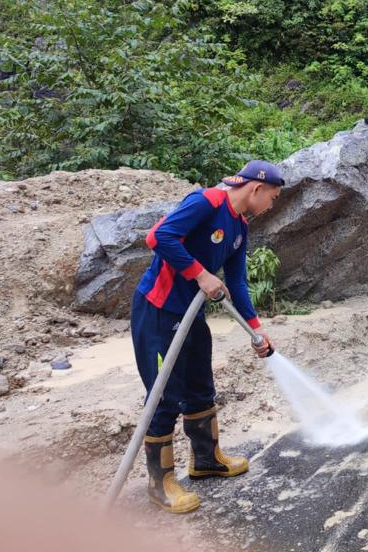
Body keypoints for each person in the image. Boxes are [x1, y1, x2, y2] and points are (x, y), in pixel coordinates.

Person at [130, 159, 284, 514]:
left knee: (200, 382)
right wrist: (200, 274)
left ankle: (205, 459)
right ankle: (160, 483)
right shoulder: (206, 202)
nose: (271, 205)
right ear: (256, 189)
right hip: (158, 310)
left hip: (190, 314)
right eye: (272, 198)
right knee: (164, 394)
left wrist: (256, 331)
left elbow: (238, 283)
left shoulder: (240, 228)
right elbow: (158, 237)